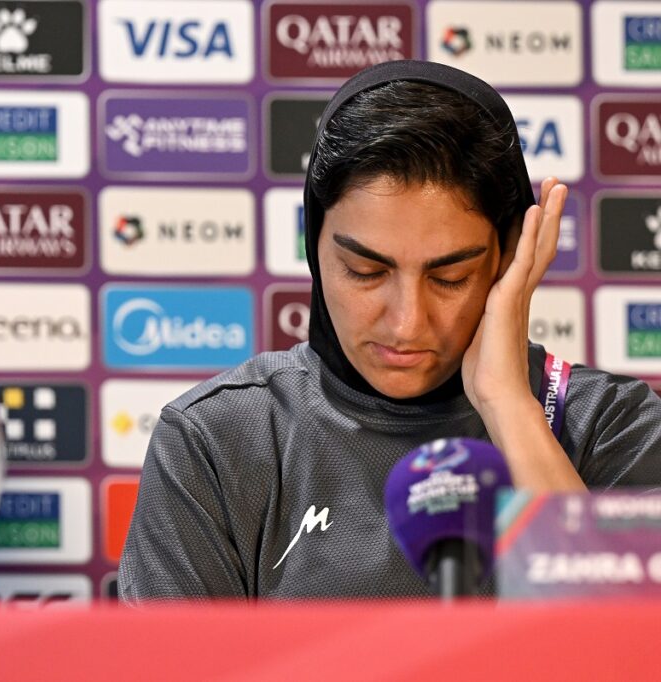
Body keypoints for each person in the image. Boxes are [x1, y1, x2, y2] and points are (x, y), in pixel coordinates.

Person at [118, 60, 661, 601]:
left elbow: (627, 651)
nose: (406, 322)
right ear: (315, 248)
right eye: (366, 271)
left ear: (507, 258)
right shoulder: (218, 441)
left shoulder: (609, 426)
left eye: (450, 277)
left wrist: (508, 406)